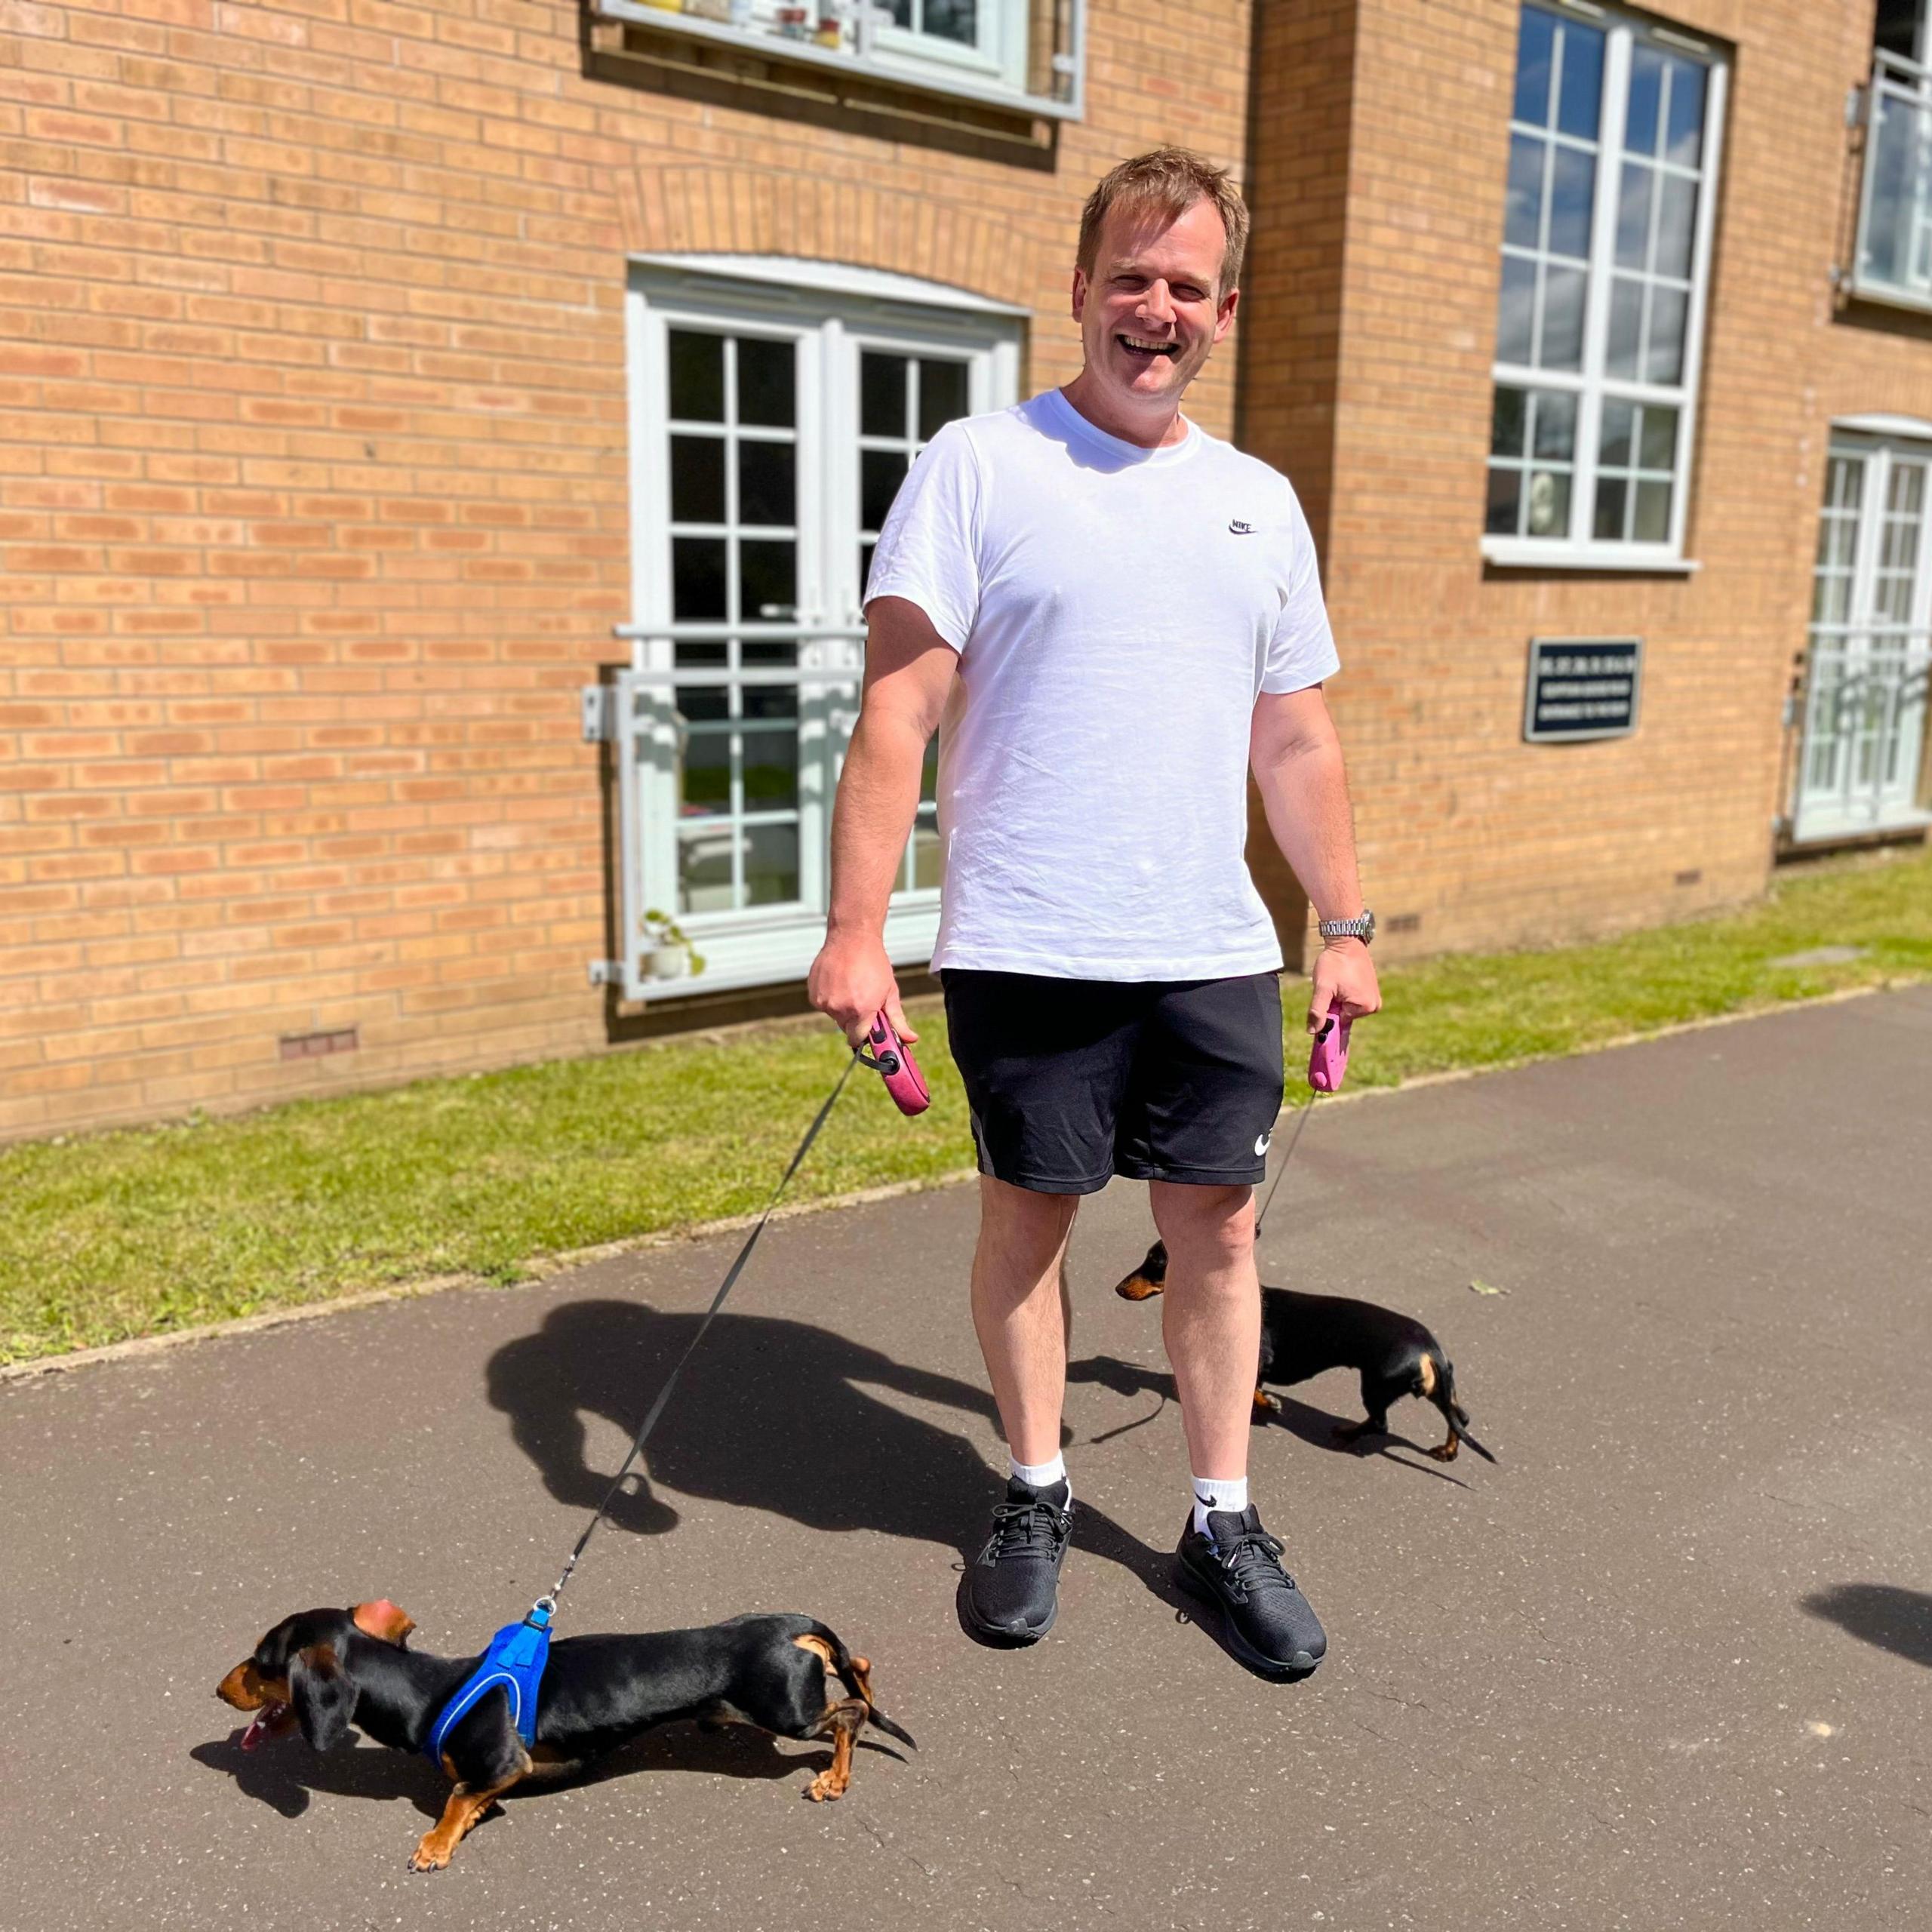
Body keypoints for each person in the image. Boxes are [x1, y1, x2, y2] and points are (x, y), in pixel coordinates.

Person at [807, 148, 1381, 1677]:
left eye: (1185, 284)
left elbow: (1298, 738)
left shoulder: (1258, 504)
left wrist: (1344, 922)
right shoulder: (979, 464)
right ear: (1077, 289)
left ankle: (1218, 1512)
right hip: (1027, 938)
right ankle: (1035, 1484)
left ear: (1223, 311)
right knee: (1030, 1219)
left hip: (1207, 946)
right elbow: (894, 716)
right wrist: (855, 929)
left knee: (1219, 1229)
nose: (1153, 307)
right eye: (1128, 275)